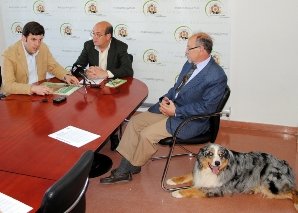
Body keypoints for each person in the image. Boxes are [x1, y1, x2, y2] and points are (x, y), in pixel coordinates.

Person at [100, 32, 228, 184]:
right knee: (135, 123)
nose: (185, 51)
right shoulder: (190, 64)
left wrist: (176, 111)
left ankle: (128, 168)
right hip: (173, 109)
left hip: (191, 120)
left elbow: (207, 108)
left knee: (147, 134)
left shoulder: (216, 76)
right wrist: (166, 99)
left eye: (189, 48)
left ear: (201, 49)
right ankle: (129, 166)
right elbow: (177, 88)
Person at [73, 21, 134, 150]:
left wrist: (105, 73)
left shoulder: (120, 47)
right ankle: (91, 136)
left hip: (113, 89)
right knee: (87, 107)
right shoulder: (89, 46)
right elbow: (77, 66)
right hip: (94, 88)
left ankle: (113, 134)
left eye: (98, 34)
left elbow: (128, 71)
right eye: (93, 34)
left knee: (109, 107)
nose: (94, 37)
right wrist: (86, 73)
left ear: (108, 36)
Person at [1, 21, 79, 96]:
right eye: (33, 39)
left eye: (40, 40)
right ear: (24, 38)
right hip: (18, 96)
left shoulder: (43, 47)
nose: (37, 44)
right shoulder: (9, 54)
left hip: (39, 93)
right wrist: (32, 88)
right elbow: (8, 85)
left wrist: (66, 76)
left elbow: (53, 66)